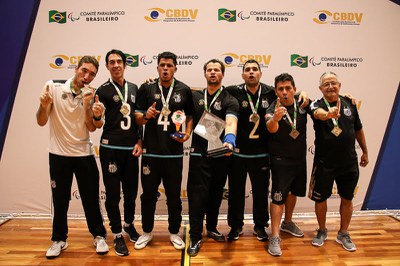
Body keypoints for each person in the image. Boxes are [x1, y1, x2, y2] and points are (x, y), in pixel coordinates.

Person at [36, 56, 109, 259]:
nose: (87, 77)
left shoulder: (93, 94)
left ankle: (99, 236)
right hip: (58, 155)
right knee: (60, 200)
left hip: (84, 154)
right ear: (76, 68)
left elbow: (92, 127)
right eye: (84, 71)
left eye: (92, 74)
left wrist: (88, 107)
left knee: (91, 199)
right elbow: (41, 121)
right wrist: (44, 106)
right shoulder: (53, 86)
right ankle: (59, 239)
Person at [134, 51, 193, 251]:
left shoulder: (184, 90)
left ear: (175, 67)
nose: (165, 68)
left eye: (169, 65)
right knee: (148, 195)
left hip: (174, 154)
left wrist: (187, 134)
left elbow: (190, 115)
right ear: (157, 67)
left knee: (174, 196)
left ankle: (174, 232)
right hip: (151, 153)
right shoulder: (146, 88)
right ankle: (147, 231)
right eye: (162, 65)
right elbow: (137, 118)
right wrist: (145, 115)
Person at [309, 71, 369, 252]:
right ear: (320, 88)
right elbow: (318, 114)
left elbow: (358, 129)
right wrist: (328, 115)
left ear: (339, 85)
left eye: (333, 83)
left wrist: (365, 151)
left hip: (349, 163)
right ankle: (321, 231)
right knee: (321, 200)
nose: (330, 87)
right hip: (324, 163)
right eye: (326, 84)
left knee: (347, 198)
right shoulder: (315, 104)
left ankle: (343, 233)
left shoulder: (350, 103)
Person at [186, 59, 239, 256]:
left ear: (222, 74)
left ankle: (212, 227)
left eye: (217, 70)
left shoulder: (229, 99)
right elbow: (178, 90)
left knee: (216, 194)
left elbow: (231, 121)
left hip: (220, 154)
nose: (213, 73)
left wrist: (230, 139)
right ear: (205, 74)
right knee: (197, 196)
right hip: (199, 155)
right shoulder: (195, 95)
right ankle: (195, 236)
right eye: (209, 70)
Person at [95, 49, 142, 256]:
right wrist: (96, 117)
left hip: (131, 149)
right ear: (107, 66)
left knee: (131, 192)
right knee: (113, 194)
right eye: (111, 62)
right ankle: (116, 234)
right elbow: (98, 122)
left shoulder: (134, 88)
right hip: (110, 149)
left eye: (119, 61)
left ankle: (129, 224)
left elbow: (138, 118)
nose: (116, 65)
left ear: (125, 64)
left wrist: (140, 140)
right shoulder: (102, 90)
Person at [225, 60, 274, 242]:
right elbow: (205, 92)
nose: (251, 72)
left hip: (261, 154)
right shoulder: (233, 91)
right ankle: (235, 226)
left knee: (261, 192)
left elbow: (292, 93)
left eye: (255, 69)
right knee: (236, 192)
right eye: (247, 70)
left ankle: (260, 226)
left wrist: (305, 93)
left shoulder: (271, 91)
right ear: (242, 75)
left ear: (260, 73)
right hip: (238, 153)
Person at [265, 73, 310, 256]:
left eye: (288, 88)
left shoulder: (303, 103)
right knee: (278, 197)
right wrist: (275, 118)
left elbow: (322, 106)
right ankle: (274, 235)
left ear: (294, 89)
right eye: (281, 89)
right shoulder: (272, 108)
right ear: (276, 91)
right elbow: (270, 127)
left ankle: (288, 222)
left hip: (299, 159)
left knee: (292, 192)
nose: (284, 92)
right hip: (280, 161)